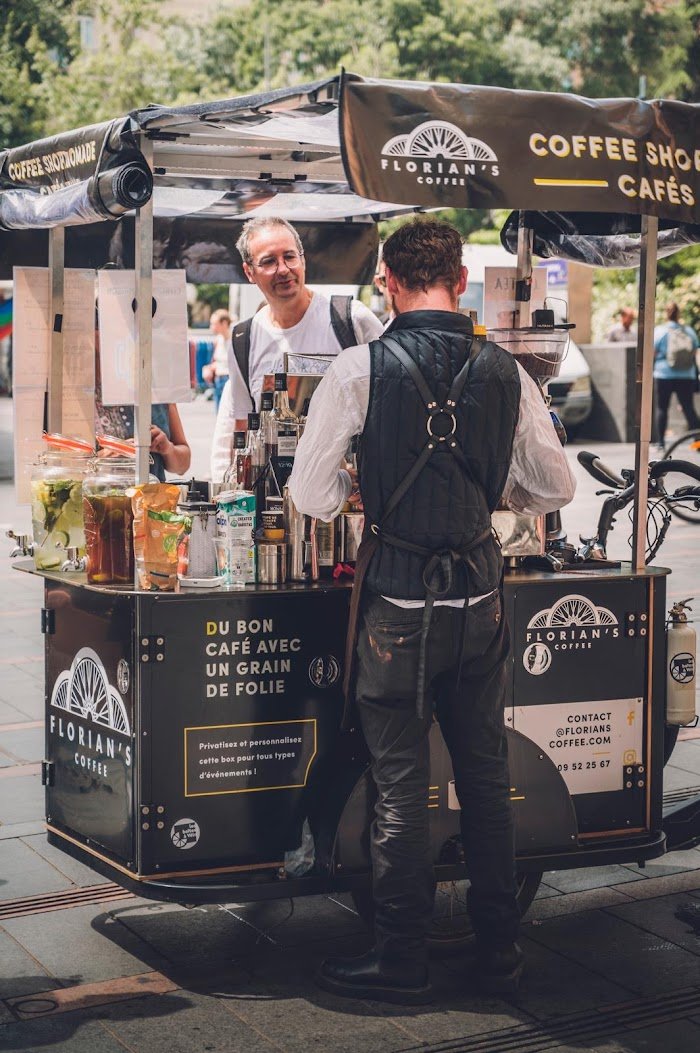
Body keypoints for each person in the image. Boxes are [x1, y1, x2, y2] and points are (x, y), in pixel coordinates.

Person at [289, 220, 575, 1004]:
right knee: (484, 778)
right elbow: (556, 488)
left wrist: (361, 483)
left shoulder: (359, 368)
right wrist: (495, 490)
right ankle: (499, 953)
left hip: (398, 609)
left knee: (400, 782)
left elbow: (308, 496)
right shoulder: (506, 370)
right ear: (458, 276)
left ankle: (400, 954)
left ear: (388, 278)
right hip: (480, 602)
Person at [210, 217, 382, 480]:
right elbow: (243, 428)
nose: (283, 269)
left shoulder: (351, 319)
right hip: (273, 505)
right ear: (249, 272)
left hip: (349, 499)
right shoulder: (243, 338)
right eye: (269, 261)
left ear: (303, 260)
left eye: (290, 256)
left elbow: (392, 399)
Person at [95, 331, 191, 480]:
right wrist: (109, 454)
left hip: (152, 499)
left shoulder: (156, 389)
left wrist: (167, 448)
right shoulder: (79, 397)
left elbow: (183, 464)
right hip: (104, 500)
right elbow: (66, 465)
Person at [653, 301, 700, 449]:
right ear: (678, 314)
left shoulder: (659, 331)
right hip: (686, 375)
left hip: (664, 374)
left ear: (666, 314)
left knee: (662, 408)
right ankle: (698, 442)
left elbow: (652, 352)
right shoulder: (689, 331)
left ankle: (661, 443)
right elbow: (694, 351)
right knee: (688, 408)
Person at [202, 308, 232, 410]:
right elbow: (218, 361)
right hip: (218, 380)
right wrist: (210, 368)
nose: (212, 327)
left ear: (224, 323)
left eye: (214, 323)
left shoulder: (234, 341)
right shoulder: (218, 340)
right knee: (219, 413)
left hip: (228, 380)